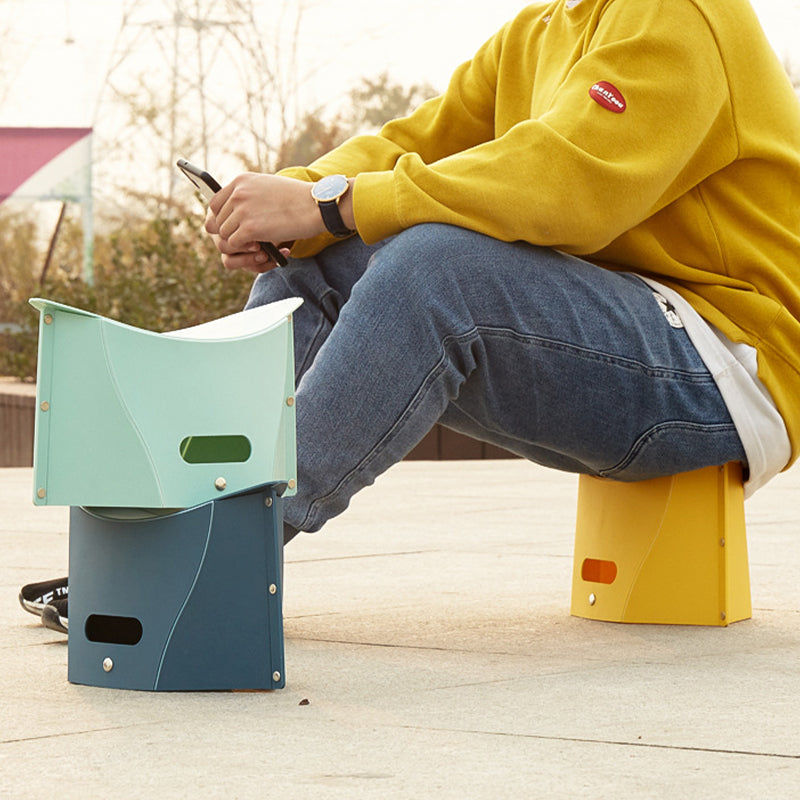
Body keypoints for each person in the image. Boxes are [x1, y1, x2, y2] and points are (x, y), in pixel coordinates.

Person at [22, 0, 800, 628]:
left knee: (435, 266)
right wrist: (296, 202)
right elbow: (414, 142)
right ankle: (183, 512)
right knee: (319, 258)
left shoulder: (682, 14)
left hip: (730, 365)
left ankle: (213, 553)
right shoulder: (540, 30)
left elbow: (567, 182)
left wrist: (329, 205)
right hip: (627, 337)